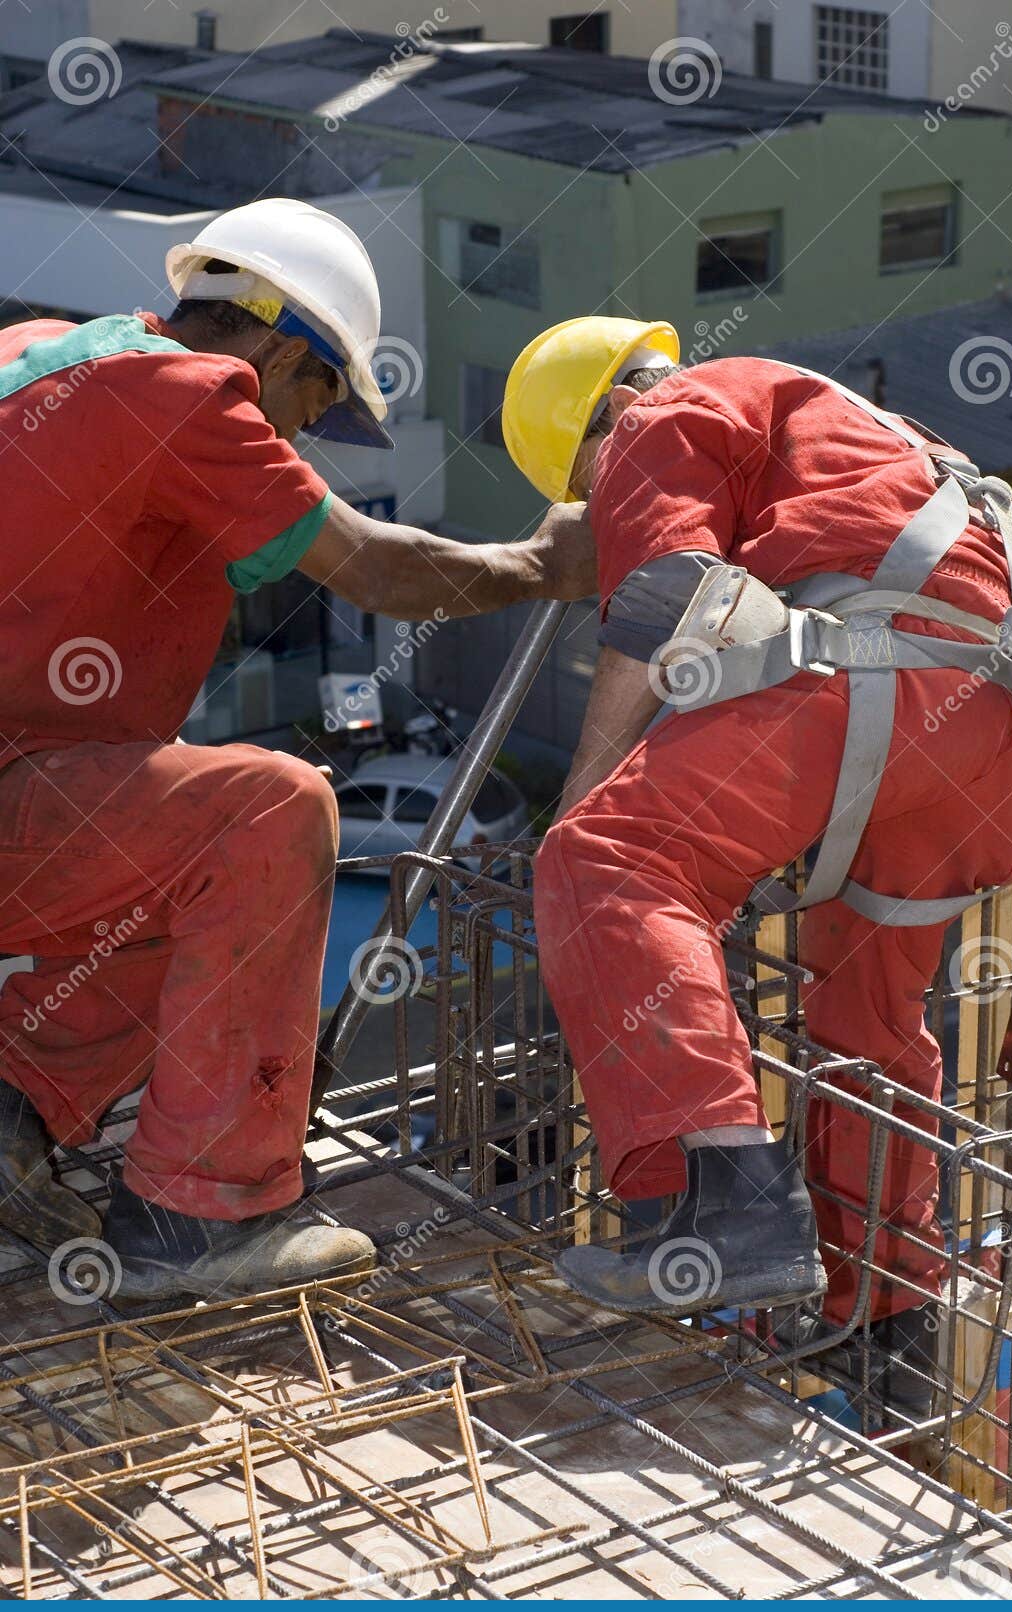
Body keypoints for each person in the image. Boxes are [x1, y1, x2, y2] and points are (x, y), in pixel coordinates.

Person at [0, 199, 594, 1302]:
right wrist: (542, 564)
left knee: (168, 840)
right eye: (315, 400)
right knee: (270, 810)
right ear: (277, 344)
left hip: (27, 786)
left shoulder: (42, 357)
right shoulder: (188, 398)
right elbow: (379, 568)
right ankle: (198, 1212)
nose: (299, 435)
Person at [502, 315, 1012, 1418]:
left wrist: (583, 818)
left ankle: (721, 1206)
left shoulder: (659, 413)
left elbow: (664, 603)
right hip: (1005, 742)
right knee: (866, 1013)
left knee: (611, 860)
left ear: (597, 422)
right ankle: (891, 1320)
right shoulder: (869, 427)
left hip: (875, 679)